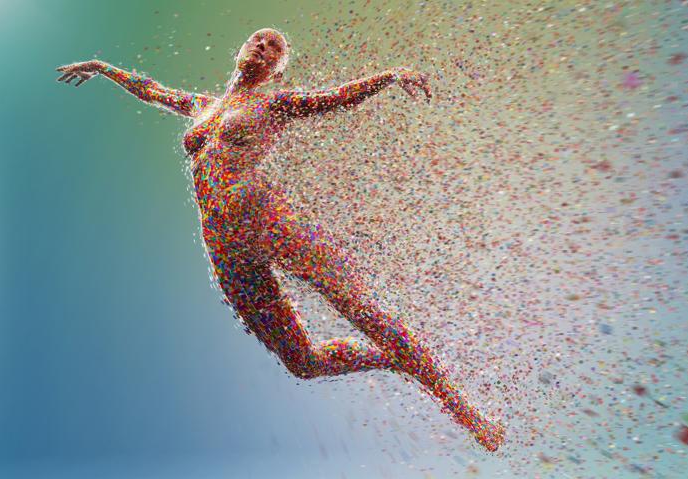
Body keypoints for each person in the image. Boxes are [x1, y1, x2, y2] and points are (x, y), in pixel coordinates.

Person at [56, 28, 504, 451]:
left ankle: (467, 412)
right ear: (240, 51)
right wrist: (101, 66)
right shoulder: (204, 106)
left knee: (360, 310)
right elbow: (152, 90)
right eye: (257, 41)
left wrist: (387, 76)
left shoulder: (276, 102)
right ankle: (393, 360)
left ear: (278, 68)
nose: (263, 48)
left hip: (259, 212)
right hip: (222, 242)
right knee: (302, 362)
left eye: (274, 48)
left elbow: (331, 99)